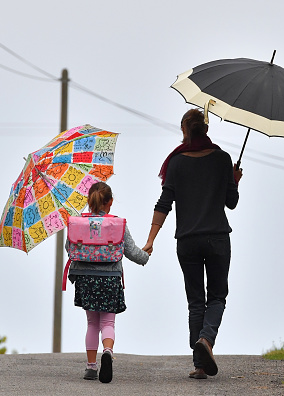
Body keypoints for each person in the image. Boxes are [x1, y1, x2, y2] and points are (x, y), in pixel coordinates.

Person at [142, 108, 242, 379]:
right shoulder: (223, 159)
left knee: (196, 301)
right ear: (206, 130)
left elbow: (164, 203)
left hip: (187, 240)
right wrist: (233, 180)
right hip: (218, 237)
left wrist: (151, 239)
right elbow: (231, 203)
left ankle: (199, 364)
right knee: (218, 295)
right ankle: (206, 341)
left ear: (185, 130)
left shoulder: (175, 163)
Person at [65, 181, 149, 383]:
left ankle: (91, 367)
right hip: (110, 278)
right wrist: (145, 255)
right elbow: (131, 252)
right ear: (109, 202)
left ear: (89, 201)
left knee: (92, 322)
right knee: (108, 321)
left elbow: (70, 249)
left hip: (86, 279)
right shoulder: (117, 223)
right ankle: (108, 351)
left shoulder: (77, 223)